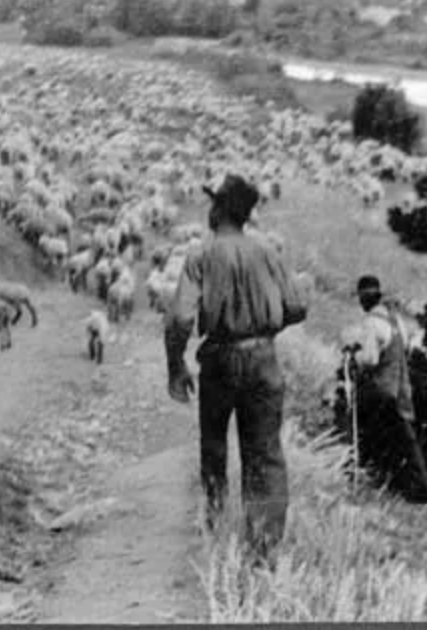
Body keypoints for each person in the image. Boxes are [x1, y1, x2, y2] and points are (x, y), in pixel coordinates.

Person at [164, 173, 309, 565]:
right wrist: (262, 329)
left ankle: (215, 527)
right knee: (264, 452)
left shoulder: (201, 255)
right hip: (263, 359)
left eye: (213, 203)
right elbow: (297, 307)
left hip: (220, 360)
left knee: (214, 446)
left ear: (221, 210)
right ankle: (263, 550)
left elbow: (179, 318)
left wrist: (176, 366)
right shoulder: (268, 252)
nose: (208, 210)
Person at [336, 274, 427, 504]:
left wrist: (353, 355)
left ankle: (357, 474)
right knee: (405, 440)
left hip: (380, 389)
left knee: (359, 426)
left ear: (364, 299)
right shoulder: (396, 321)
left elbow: (370, 359)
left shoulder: (372, 322)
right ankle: (421, 487)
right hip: (400, 388)